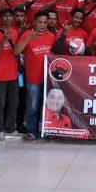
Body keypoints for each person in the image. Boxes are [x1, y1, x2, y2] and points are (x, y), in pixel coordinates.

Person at [14, 11, 56, 142]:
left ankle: (48, 131)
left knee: (48, 107)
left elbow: (55, 55)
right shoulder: (26, 34)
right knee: (33, 106)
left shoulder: (51, 36)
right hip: (33, 79)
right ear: (34, 22)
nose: (42, 25)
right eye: (40, 22)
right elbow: (16, 51)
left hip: (49, 79)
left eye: (45, 22)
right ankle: (32, 132)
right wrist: (28, 39)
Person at [0, 8, 20, 144]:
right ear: (1, 18)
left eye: (10, 16)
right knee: (0, 104)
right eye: (5, 16)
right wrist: (3, 41)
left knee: (14, 102)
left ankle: (10, 129)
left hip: (14, 74)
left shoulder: (15, 32)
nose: (8, 18)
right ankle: (0, 130)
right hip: (0, 75)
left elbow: (18, 51)